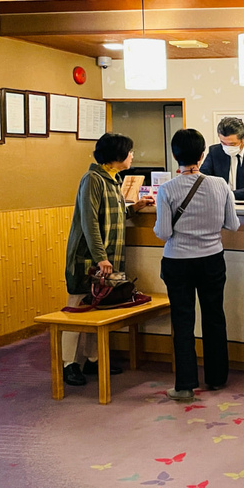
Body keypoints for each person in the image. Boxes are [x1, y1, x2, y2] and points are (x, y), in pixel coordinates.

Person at [154, 129, 240, 401]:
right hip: (212, 259)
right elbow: (233, 225)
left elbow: (164, 232)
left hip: (178, 261)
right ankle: (216, 378)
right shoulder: (220, 185)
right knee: (214, 316)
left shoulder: (167, 189)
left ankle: (185, 385)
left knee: (183, 321)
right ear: (203, 155)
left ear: (174, 155)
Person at [63, 133, 154, 386]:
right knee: (77, 309)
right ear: (117, 156)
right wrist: (100, 257)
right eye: (129, 152)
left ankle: (92, 359)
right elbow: (90, 221)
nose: (132, 156)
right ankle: (68, 363)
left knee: (97, 307)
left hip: (107, 259)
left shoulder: (112, 179)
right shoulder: (92, 179)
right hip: (87, 259)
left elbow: (113, 212)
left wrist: (134, 207)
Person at [199, 116, 244, 201]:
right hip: (222, 205)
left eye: (232, 144)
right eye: (223, 143)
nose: (227, 147)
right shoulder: (215, 151)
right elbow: (203, 177)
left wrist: (230, 195)